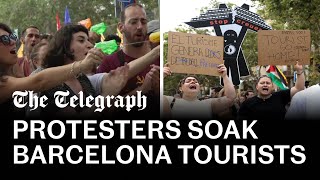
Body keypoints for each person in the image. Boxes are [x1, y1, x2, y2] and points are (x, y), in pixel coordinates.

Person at [40, 24, 160, 118]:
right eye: (81, 40)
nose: (90, 45)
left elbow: (105, 111)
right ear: (64, 46)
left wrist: (140, 89)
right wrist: (107, 96)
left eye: (88, 40)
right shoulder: (52, 84)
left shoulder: (83, 79)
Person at [0, 23, 102, 117]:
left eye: (12, 37)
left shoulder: (82, 78)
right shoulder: (3, 83)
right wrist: (107, 96)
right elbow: (39, 81)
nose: (13, 41)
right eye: (4, 39)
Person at [97, 3, 160, 118]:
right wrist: (141, 90)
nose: (140, 26)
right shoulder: (109, 63)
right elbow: (100, 109)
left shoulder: (160, 59)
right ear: (121, 27)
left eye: (143, 22)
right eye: (133, 22)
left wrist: (158, 90)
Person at [162, 64, 236, 119]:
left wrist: (225, 76)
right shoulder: (170, 102)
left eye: (195, 81)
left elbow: (230, 98)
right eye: (188, 81)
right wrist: (162, 75)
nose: (192, 82)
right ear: (181, 88)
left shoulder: (209, 104)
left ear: (199, 88)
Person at [237, 62, 305, 120]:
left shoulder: (280, 96)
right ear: (257, 87)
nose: (265, 85)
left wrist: (299, 71)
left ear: (272, 87)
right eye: (262, 83)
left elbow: (298, 88)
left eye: (268, 83)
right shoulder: (247, 104)